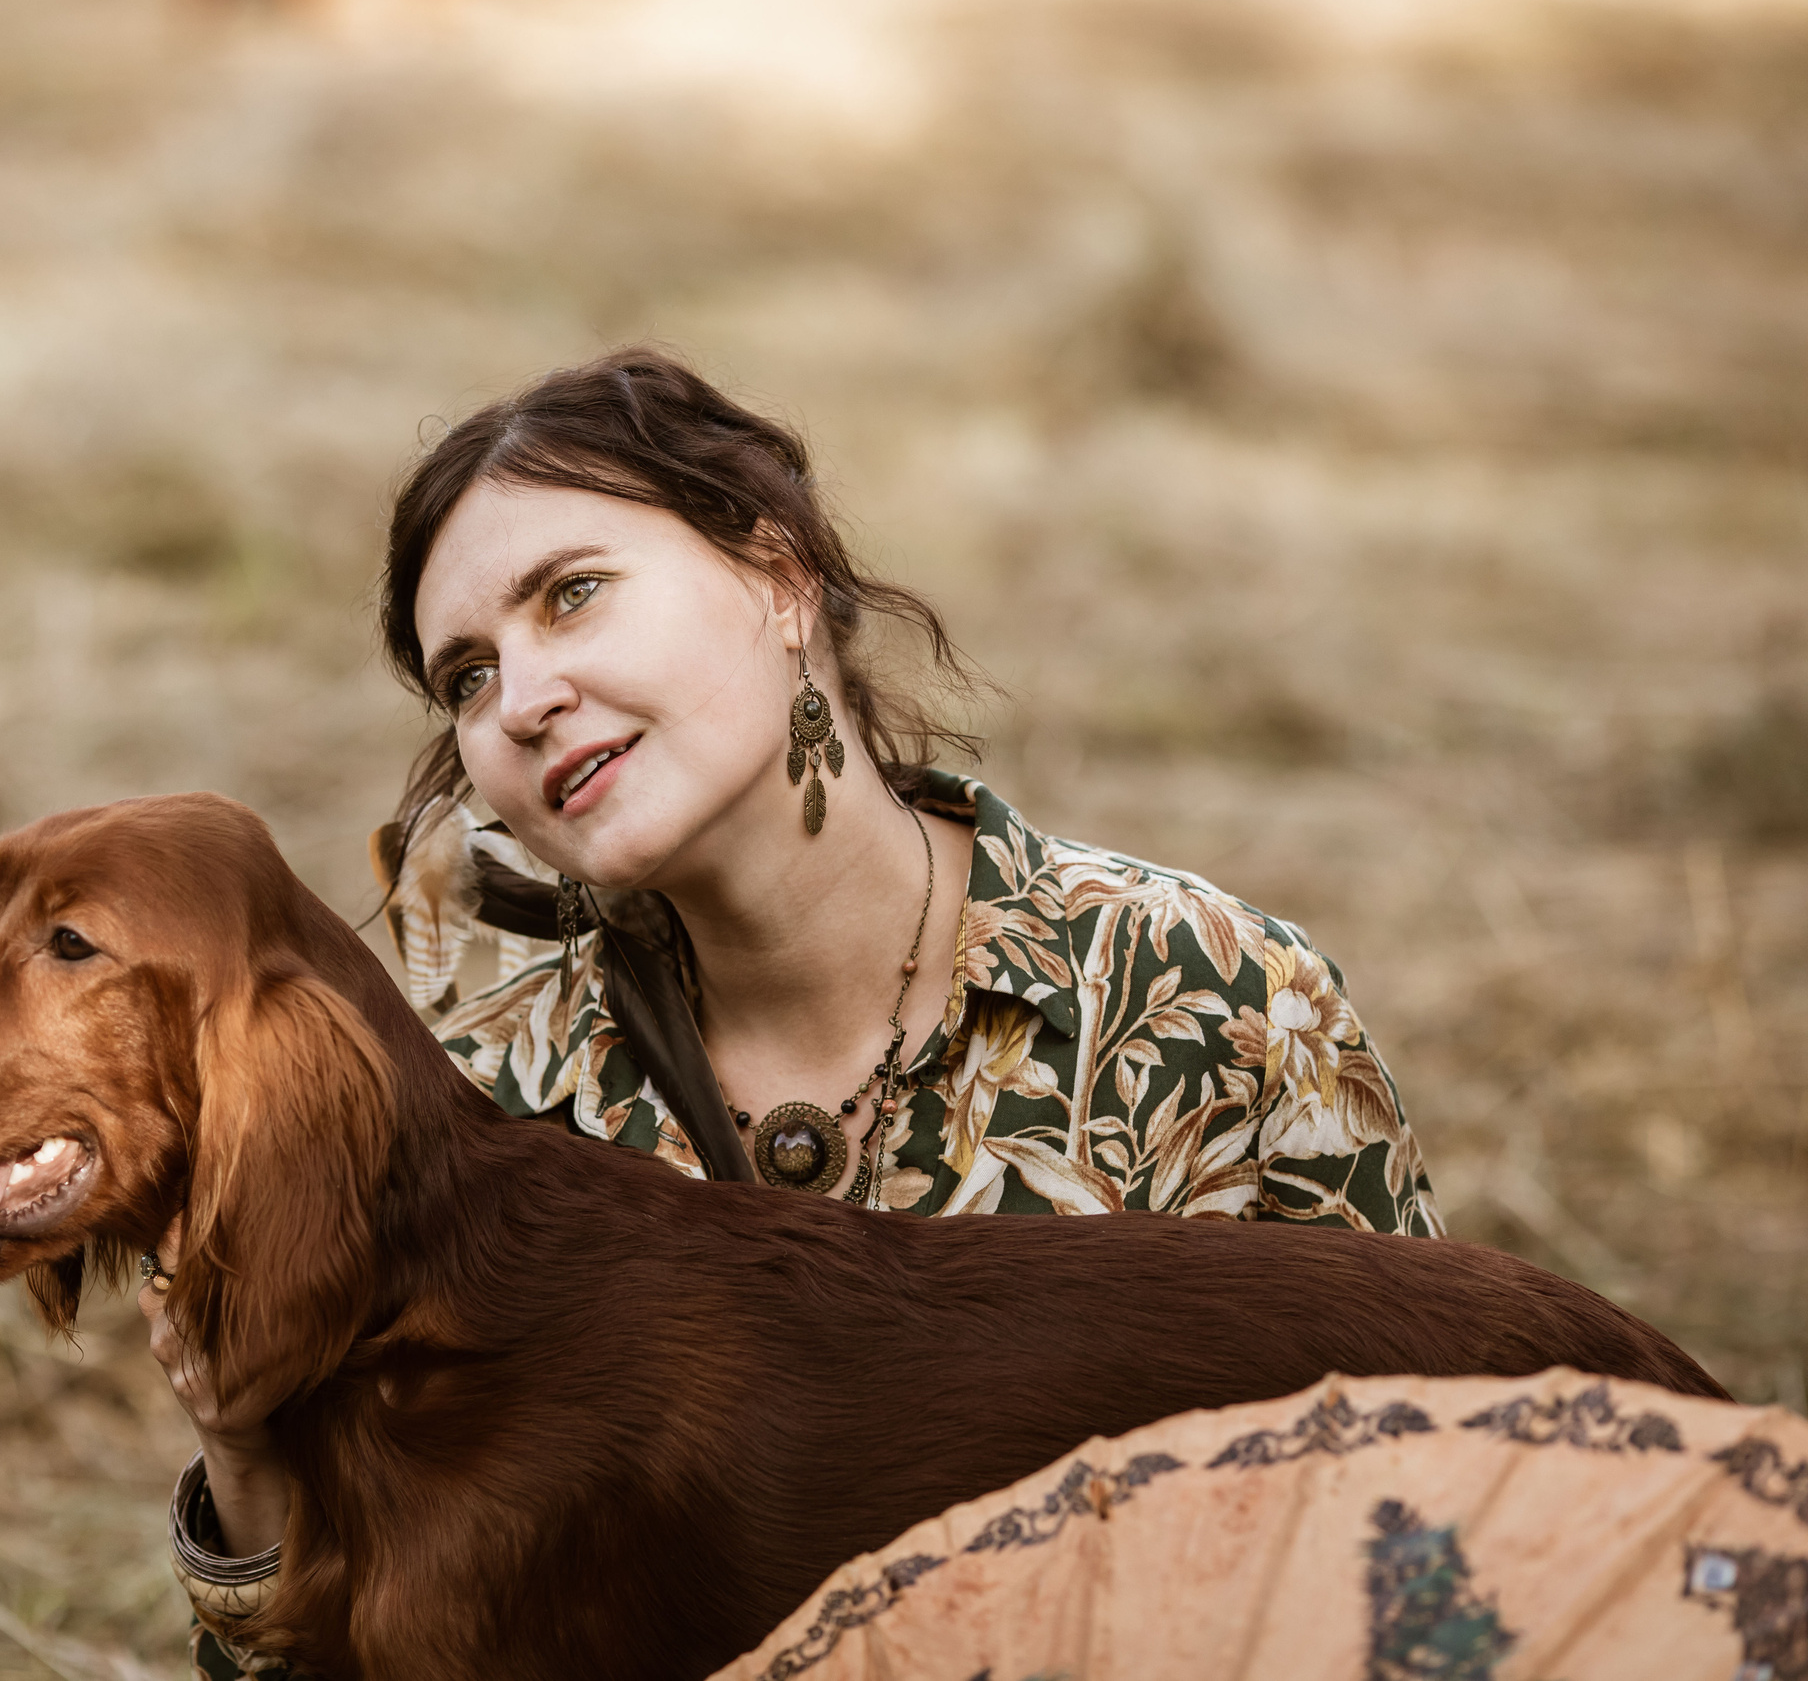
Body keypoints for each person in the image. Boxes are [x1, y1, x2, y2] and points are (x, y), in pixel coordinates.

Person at [147, 348, 1445, 1678]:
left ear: (779, 575)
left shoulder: (1203, 996)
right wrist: (244, 1449)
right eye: (467, 675)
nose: (522, 702)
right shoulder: (494, 1096)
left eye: (573, 596)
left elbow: (1468, 1520)